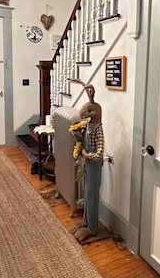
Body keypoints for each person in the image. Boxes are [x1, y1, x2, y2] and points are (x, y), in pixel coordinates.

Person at [71, 81, 104, 242]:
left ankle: (92, 228)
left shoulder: (98, 130)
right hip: (87, 164)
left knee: (92, 193)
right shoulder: (89, 126)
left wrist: (87, 155)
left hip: (94, 165)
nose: (86, 114)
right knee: (86, 191)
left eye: (89, 111)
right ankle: (85, 222)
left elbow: (99, 152)